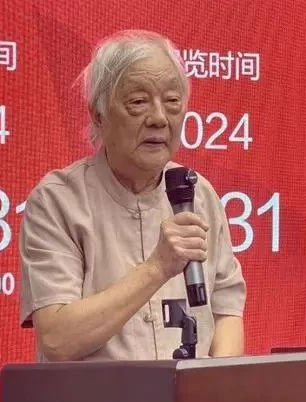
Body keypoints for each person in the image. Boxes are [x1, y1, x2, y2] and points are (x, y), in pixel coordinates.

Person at [18, 30, 246, 362]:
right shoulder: (58, 201)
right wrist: (157, 268)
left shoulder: (198, 194)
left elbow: (226, 312)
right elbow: (57, 339)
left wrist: (215, 383)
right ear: (98, 115)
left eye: (172, 102)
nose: (159, 119)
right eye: (138, 102)